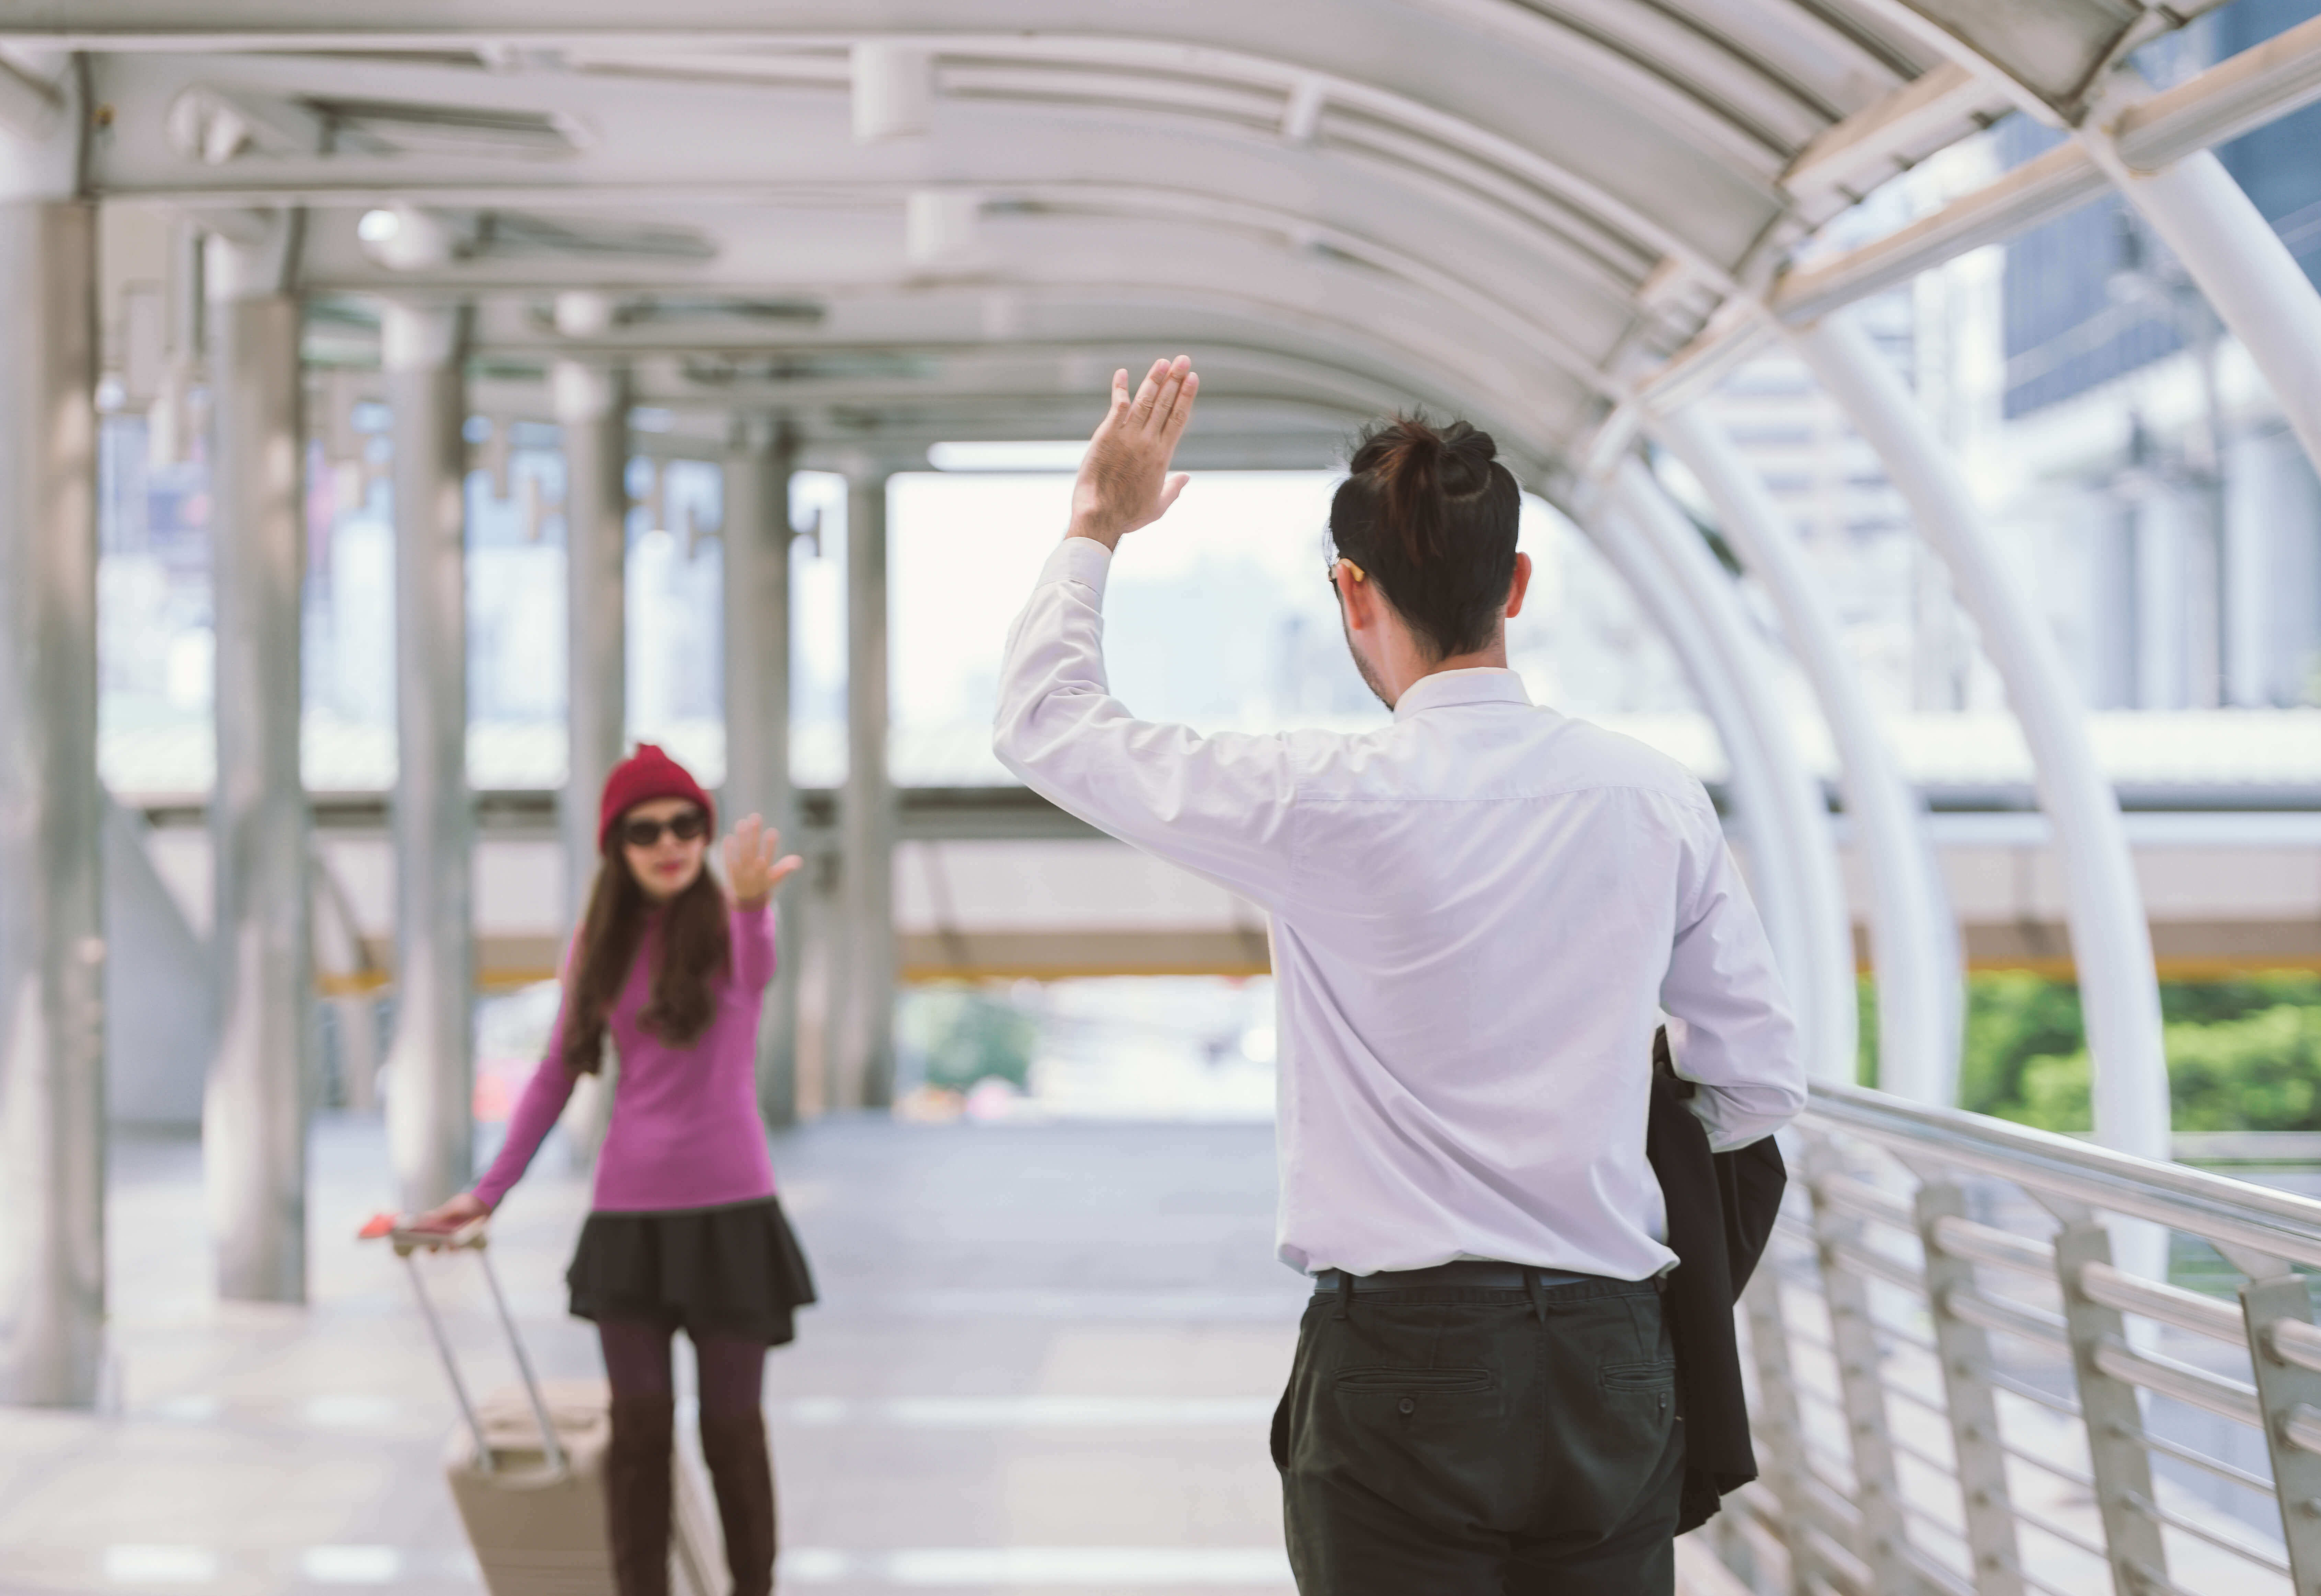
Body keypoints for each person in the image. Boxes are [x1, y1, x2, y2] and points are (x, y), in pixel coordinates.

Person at [991, 358, 1807, 1595]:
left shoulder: (1315, 799)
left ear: (1351, 588)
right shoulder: (1654, 800)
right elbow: (1754, 1085)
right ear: (1517, 584)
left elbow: (1047, 724)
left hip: (1403, 1365)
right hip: (1611, 1358)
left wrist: (1097, 522)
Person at [414, 743, 814, 1596]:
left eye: (684, 825)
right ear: (616, 847)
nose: (668, 842)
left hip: (732, 1218)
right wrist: (487, 1194)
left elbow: (757, 972)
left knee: (733, 1434)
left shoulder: (733, 924)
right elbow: (558, 1071)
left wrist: (748, 905)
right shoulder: (596, 943)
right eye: (645, 830)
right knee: (638, 1440)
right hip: (629, 1220)